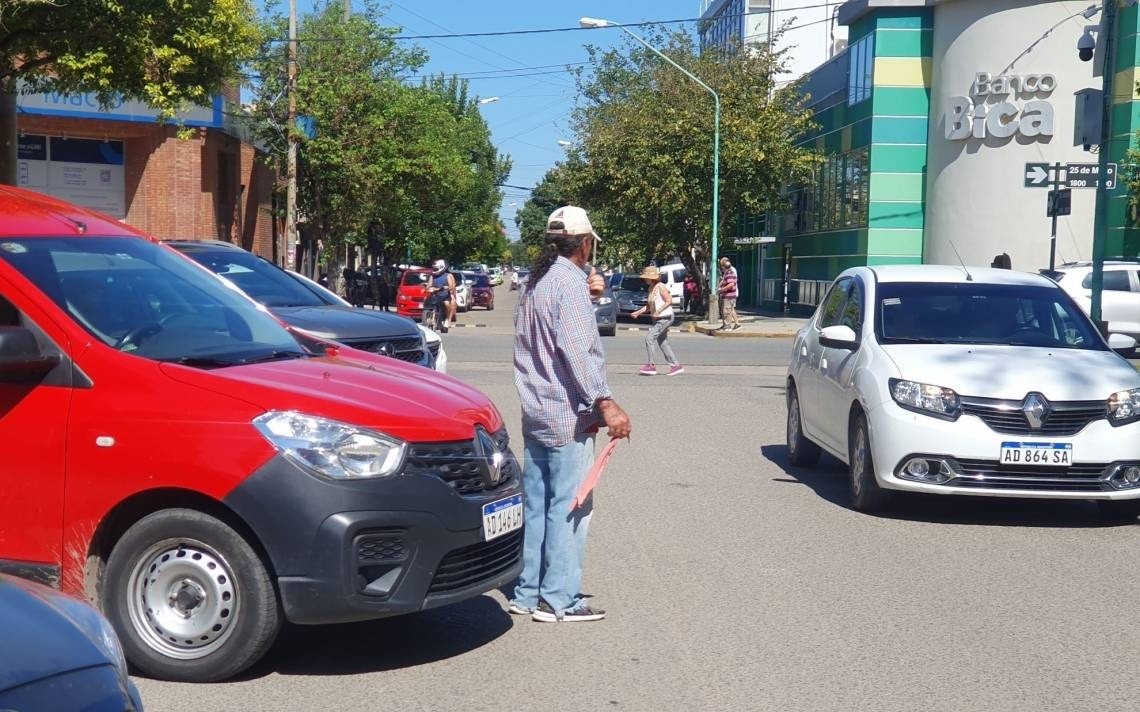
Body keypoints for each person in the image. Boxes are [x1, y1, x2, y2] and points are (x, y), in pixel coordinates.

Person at [511, 205, 632, 623]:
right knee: (571, 505)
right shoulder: (569, 284)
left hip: (535, 411)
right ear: (584, 244)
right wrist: (606, 403)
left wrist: (590, 297)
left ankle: (528, 592)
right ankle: (559, 598)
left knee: (538, 504)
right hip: (567, 415)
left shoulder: (536, 281)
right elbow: (579, 351)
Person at [632, 265, 683, 376]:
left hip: (665, 317)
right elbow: (649, 306)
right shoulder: (651, 288)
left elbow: (669, 301)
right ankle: (675, 365)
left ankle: (651, 365)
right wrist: (637, 312)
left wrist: (658, 311)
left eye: (646, 277)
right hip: (659, 318)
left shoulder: (660, 286)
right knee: (663, 342)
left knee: (649, 338)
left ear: (652, 278)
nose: (644, 279)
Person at [428, 259, 455, 332]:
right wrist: (428, 288)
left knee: (447, 304)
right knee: (427, 302)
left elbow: (451, 286)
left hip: (445, 295)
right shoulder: (432, 276)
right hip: (435, 295)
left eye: (436, 268)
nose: (434, 270)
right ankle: (430, 317)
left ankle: (447, 319)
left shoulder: (448, 275)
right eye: (433, 268)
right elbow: (429, 285)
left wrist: (447, 288)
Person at [716, 256, 741, 331]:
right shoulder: (727, 272)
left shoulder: (730, 272)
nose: (721, 268)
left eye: (721, 265)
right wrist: (718, 288)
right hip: (727, 295)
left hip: (729, 295)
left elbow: (731, 284)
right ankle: (728, 324)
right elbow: (724, 280)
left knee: (728, 310)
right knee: (728, 310)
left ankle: (728, 325)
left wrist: (722, 289)